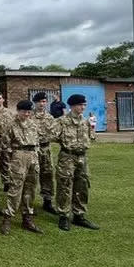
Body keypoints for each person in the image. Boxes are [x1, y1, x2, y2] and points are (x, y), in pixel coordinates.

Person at [52, 94, 99, 231]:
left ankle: (79, 215)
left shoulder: (85, 122)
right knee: (65, 185)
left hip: (82, 157)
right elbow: (52, 136)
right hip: (67, 156)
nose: (83, 107)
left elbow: (91, 137)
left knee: (82, 186)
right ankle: (64, 216)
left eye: (84, 105)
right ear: (72, 106)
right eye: (80, 105)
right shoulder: (62, 121)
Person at [0, 100, 42, 235]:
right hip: (18, 156)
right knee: (15, 189)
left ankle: (27, 218)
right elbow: (4, 143)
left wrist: (35, 156)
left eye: (29, 111)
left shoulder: (33, 124)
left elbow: (37, 141)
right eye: (24, 111)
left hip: (33, 156)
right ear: (18, 111)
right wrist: (12, 157)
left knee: (30, 189)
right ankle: (7, 218)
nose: (27, 114)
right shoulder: (10, 125)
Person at [31, 92, 56, 214]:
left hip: (46, 149)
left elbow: (54, 133)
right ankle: (29, 202)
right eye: (39, 102)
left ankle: (47, 201)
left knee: (47, 174)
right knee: (32, 175)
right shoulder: (29, 116)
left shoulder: (50, 118)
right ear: (35, 103)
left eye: (44, 101)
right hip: (33, 149)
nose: (42, 104)